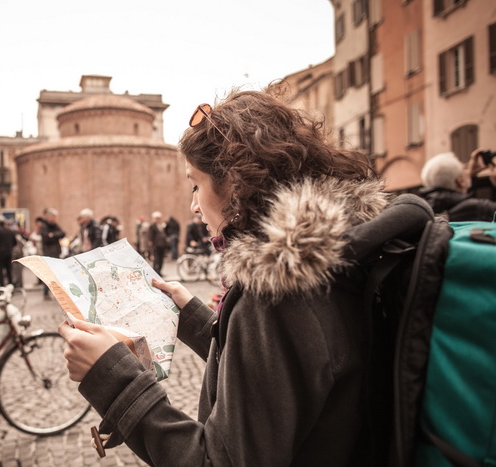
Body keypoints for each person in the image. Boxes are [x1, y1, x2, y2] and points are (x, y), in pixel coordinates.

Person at [58, 88, 434, 465]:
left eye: (196, 183)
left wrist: (111, 375)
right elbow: (277, 379)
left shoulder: (277, 295)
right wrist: (191, 317)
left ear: (235, 185)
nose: (193, 205)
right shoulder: (334, 256)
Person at [419, 149, 496, 222]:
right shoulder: (479, 208)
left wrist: (470, 177)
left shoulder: (427, 211)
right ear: (461, 181)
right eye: (464, 168)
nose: (467, 171)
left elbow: (457, 200)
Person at [39, 208, 66, 300]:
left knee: (56, 274)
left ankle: (57, 293)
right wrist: (54, 235)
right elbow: (46, 238)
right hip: (48, 253)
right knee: (48, 274)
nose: (54, 219)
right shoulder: (44, 226)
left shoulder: (55, 225)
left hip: (56, 252)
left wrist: (53, 235)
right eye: (53, 217)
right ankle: (46, 293)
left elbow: (62, 233)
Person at [0, 219, 17, 286]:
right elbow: (15, 242)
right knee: (9, 270)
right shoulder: (9, 231)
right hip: (8, 253)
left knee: (0, 269)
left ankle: (2, 285)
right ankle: (10, 284)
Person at [147, 211, 168, 275]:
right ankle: (156, 271)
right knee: (156, 259)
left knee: (161, 259)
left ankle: (159, 271)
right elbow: (150, 235)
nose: (157, 219)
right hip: (156, 245)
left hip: (162, 245)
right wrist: (151, 243)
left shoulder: (160, 225)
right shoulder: (152, 226)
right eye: (156, 218)